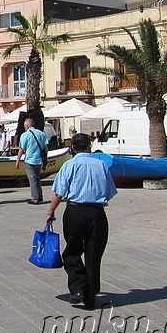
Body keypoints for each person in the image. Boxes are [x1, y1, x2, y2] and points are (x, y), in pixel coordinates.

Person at [45, 133, 117, 310]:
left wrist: (50, 211)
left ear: (72, 149)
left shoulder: (69, 165)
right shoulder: (102, 165)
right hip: (97, 213)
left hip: (75, 211)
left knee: (72, 251)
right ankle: (91, 295)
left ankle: (77, 290)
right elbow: (110, 192)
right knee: (94, 254)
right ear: (89, 147)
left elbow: (58, 193)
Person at [15, 118, 49, 204]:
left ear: (27, 125)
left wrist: (17, 161)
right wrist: (46, 158)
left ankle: (35, 198)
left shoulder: (25, 135)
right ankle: (40, 196)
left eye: (24, 126)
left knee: (32, 179)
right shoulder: (41, 133)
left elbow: (21, 149)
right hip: (39, 159)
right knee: (37, 178)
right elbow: (45, 148)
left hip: (30, 160)